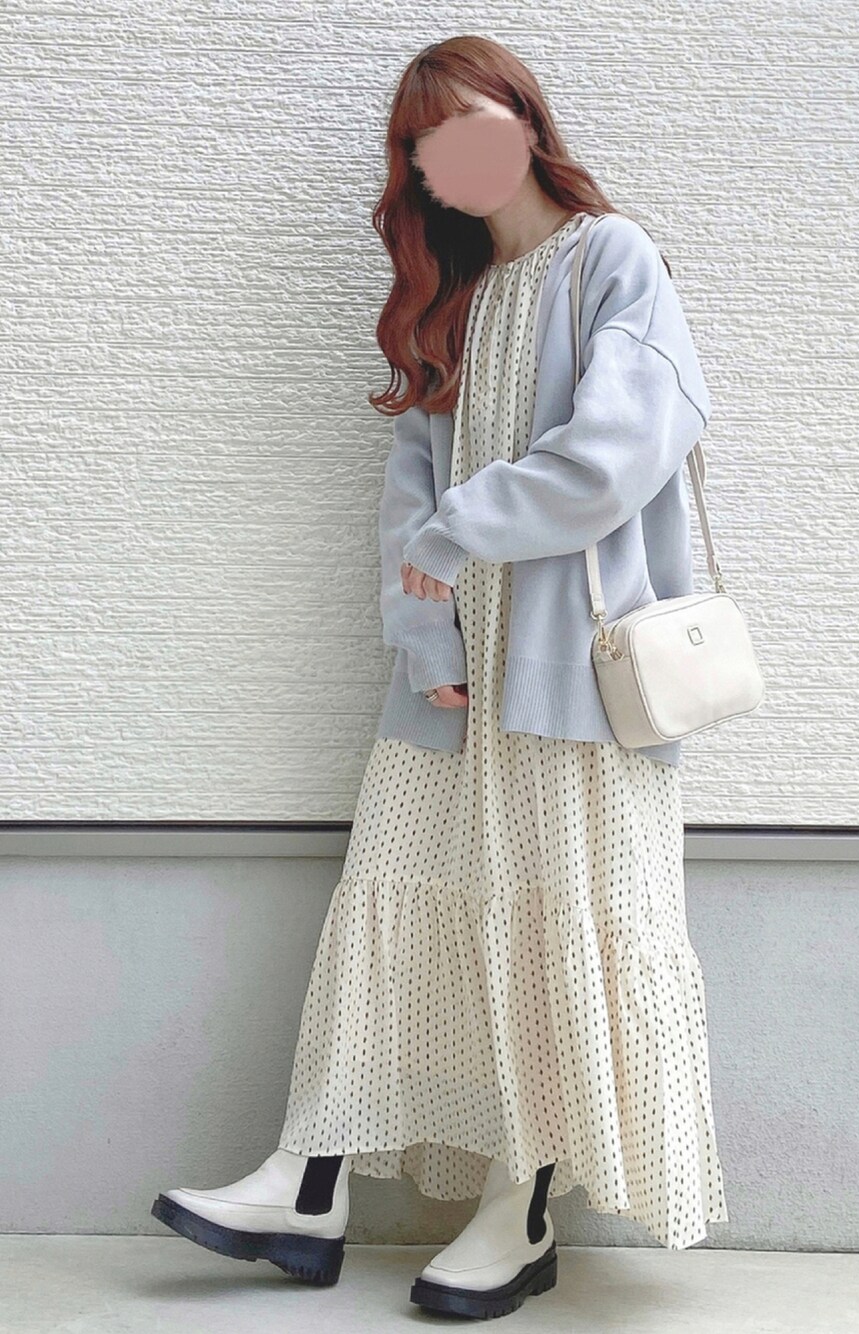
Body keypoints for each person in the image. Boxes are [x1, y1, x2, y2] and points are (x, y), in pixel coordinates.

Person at [151, 35, 728, 1320]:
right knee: (393, 907)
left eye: (471, 122)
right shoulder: (450, 302)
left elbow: (617, 452)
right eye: (426, 144)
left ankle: (517, 1207)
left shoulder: (613, 260)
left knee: (546, 932)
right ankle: (307, 1177)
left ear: (524, 120)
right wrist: (425, 639)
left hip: (575, 686)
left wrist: (460, 530)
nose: (453, 154)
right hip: (454, 687)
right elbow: (405, 506)